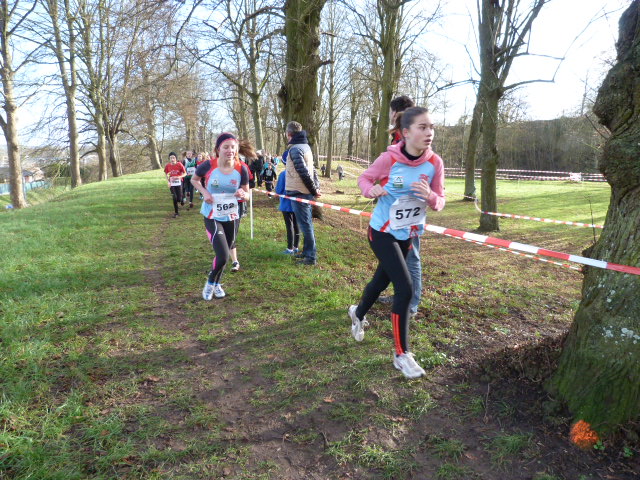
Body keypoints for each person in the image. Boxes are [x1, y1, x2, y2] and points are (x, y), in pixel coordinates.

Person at [348, 107, 445, 379]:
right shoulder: (389, 159)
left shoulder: (434, 163)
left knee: (381, 281)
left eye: (431, 127)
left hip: (407, 234)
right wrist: (372, 189)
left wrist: (430, 197)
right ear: (405, 133)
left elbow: (440, 201)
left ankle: (357, 312)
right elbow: (364, 178)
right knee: (405, 287)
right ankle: (401, 355)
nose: (429, 132)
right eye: (422, 127)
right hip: (381, 232)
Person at [378, 95, 424, 317]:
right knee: (395, 252)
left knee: (410, 254)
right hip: (395, 204)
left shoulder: (412, 137)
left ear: (395, 113)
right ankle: (400, 294)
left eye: (390, 112)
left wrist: (389, 184)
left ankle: (412, 303)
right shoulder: (399, 137)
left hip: (408, 204)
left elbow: (408, 174)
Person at [191, 133, 250, 300]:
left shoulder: (241, 168)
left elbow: (246, 194)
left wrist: (242, 194)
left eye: (233, 147)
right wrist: (204, 192)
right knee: (223, 254)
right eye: (226, 147)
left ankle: (217, 285)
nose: (230, 150)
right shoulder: (208, 166)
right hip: (212, 215)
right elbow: (194, 180)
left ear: (237, 149)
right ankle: (210, 283)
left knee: (224, 253)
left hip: (232, 216)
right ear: (218, 149)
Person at [284, 121, 321, 266]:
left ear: (289, 134)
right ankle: (306, 252)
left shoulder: (295, 149)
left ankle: (311, 257)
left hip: (300, 192)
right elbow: (313, 170)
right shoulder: (305, 147)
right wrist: (315, 187)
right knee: (306, 224)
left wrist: (313, 190)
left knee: (305, 225)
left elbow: (304, 172)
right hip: (303, 191)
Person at [276, 150, 299, 254]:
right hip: (298, 204)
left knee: (289, 226)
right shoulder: (298, 173)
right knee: (296, 225)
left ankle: (290, 248)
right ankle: (296, 246)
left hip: (286, 205)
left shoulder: (283, 174)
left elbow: (279, 190)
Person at [164, 152, 186, 218]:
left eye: (173, 158)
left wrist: (179, 177)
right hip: (172, 184)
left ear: (176, 158)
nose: (172, 159)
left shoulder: (179, 164)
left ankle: (182, 199)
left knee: (179, 198)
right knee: (174, 198)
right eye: (171, 158)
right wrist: (168, 182)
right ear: (169, 159)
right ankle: (176, 213)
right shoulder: (167, 166)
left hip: (179, 183)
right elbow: (166, 174)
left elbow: (185, 173)